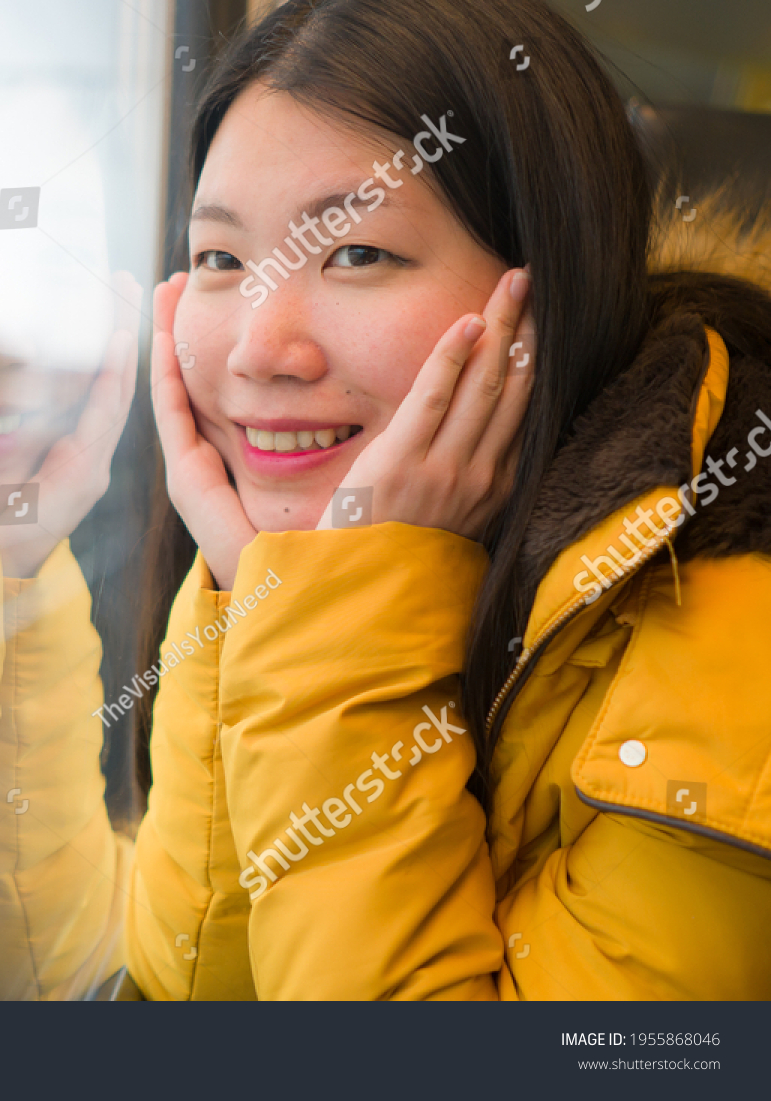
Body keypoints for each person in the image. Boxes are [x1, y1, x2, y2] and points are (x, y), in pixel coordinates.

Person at [124, 0, 771, 998]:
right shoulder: (272, 560)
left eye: (358, 254)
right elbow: (200, 988)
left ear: (552, 285)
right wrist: (255, 590)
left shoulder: (736, 621)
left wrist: (333, 623)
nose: (258, 348)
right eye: (221, 260)